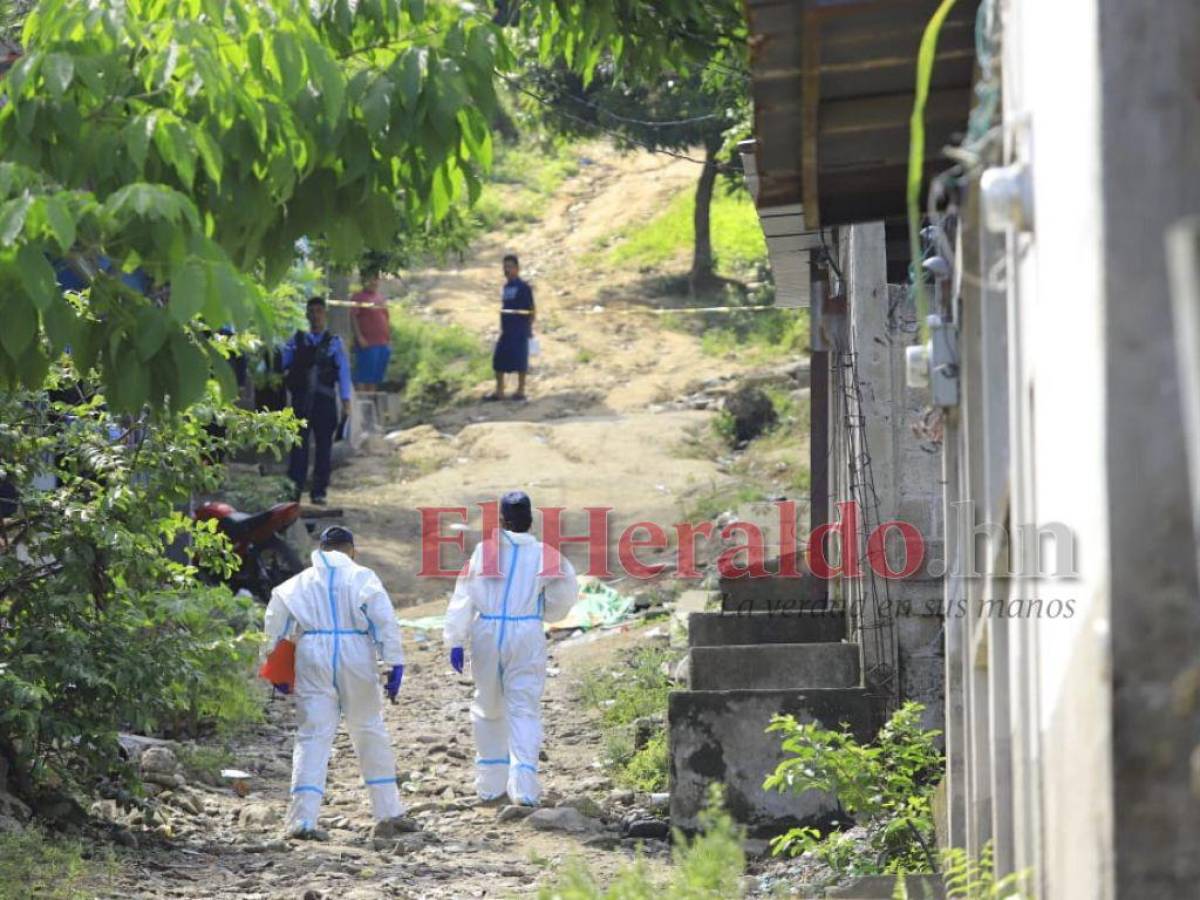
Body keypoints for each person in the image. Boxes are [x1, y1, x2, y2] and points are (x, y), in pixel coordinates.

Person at [263, 526, 409, 840]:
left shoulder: (297, 583)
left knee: (312, 735)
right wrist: (394, 662)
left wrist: (273, 665)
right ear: (351, 550)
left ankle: (302, 819)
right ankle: (389, 811)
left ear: (321, 549)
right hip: (355, 651)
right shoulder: (363, 577)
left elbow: (275, 624)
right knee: (368, 727)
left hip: (312, 650)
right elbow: (384, 621)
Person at [443, 491, 579, 806]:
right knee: (524, 707)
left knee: (488, 707)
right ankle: (525, 787)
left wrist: (455, 638)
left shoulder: (484, 551)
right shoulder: (546, 554)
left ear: (501, 520)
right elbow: (565, 594)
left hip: (487, 632)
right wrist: (545, 610)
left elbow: (464, 595)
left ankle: (491, 786)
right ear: (530, 521)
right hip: (525, 631)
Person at [283, 297, 352, 505]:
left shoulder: (334, 343)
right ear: (306, 314)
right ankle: (294, 490)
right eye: (311, 311)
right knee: (298, 448)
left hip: (325, 402)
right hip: (301, 402)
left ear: (325, 314)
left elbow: (344, 374)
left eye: (319, 311)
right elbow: (281, 364)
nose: (315, 316)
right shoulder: (296, 341)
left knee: (324, 448)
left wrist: (346, 401)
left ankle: (319, 491)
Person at [486, 254, 535, 402]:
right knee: (499, 360)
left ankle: (520, 391)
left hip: (519, 330)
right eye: (505, 267)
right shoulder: (506, 287)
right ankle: (499, 391)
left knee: (520, 361)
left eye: (510, 267)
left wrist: (528, 328)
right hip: (506, 330)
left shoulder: (523, 287)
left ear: (517, 269)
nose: (507, 270)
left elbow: (531, 309)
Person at [350, 271, 392, 392]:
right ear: (363, 281)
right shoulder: (358, 297)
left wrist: (389, 339)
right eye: (370, 279)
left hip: (383, 342)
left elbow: (386, 318)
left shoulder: (380, 297)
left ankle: (372, 401)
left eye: (375, 279)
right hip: (367, 343)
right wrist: (359, 337)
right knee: (364, 376)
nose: (373, 282)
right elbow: (353, 318)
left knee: (375, 377)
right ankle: (363, 401)